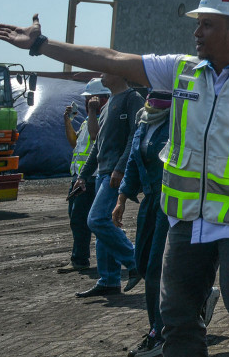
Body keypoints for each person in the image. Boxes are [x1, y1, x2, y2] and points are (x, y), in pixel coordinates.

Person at [0, 0, 229, 357]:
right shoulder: (182, 71)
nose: (196, 32)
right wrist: (41, 45)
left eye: (207, 24)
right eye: (198, 23)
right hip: (186, 220)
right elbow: (111, 59)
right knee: (177, 314)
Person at [113, 90, 221, 357]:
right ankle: (202, 297)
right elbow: (132, 163)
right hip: (149, 200)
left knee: (154, 270)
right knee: (140, 262)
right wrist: (122, 198)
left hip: (171, 201)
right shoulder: (144, 121)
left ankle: (160, 333)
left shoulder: (181, 121)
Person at [74, 72, 144, 297]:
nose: (101, 75)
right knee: (104, 225)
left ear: (119, 74)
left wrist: (121, 167)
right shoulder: (108, 105)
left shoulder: (132, 99)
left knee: (96, 220)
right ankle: (110, 280)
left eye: (106, 71)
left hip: (115, 173)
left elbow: (136, 135)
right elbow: (97, 145)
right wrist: (83, 176)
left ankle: (135, 262)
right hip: (103, 172)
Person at [57, 78, 105, 273]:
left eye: (90, 99)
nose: (86, 102)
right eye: (86, 99)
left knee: (82, 219)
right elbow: (74, 142)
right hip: (79, 177)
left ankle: (80, 260)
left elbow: (96, 137)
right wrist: (67, 121)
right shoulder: (87, 121)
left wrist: (93, 111)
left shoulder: (103, 118)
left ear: (102, 99)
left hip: (92, 178)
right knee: (76, 218)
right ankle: (81, 258)